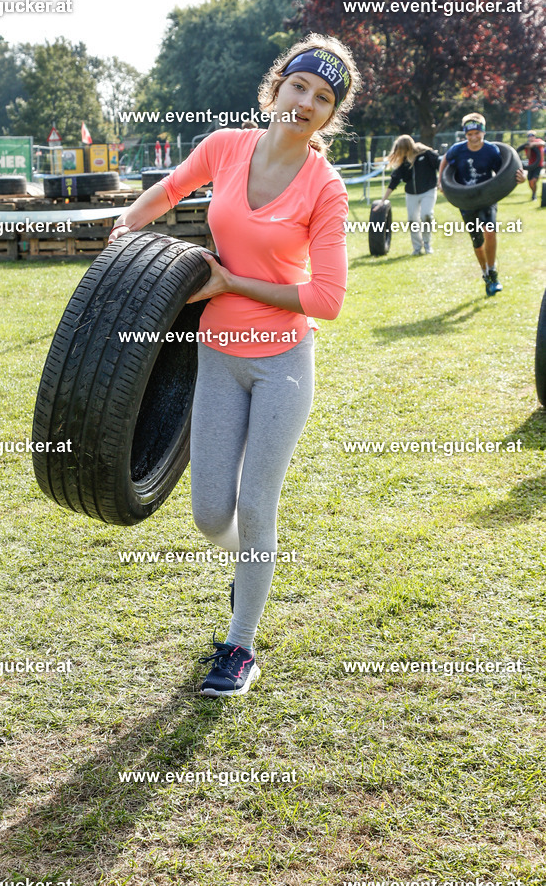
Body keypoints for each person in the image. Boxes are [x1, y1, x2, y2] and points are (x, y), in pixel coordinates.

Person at [108, 34, 361, 697]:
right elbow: (169, 189)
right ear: (276, 87)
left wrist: (229, 286)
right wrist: (125, 226)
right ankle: (249, 570)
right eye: (299, 86)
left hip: (281, 363)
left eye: (323, 98)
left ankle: (240, 644)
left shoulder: (324, 188)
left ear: (329, 116)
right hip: (217, 359)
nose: (306, 102)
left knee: (255, 504)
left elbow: (327, 299)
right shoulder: (224, 147)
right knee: (208, 512)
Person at [438, 113, 525, 296]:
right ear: (465, 134)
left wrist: (520, 177)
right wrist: (441, 181)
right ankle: (485, 273)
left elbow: (506, 171)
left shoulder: (491, 151)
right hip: (466, 200)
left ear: (483, 132)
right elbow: (445, 159)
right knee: (477, 242)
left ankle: (493, 271)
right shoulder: (458, 150)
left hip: (487, 197)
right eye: (469, 135)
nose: (474, 138)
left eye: (477, 133)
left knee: (490, 232)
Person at [379, 135, 440, 255]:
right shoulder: (404, 162)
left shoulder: (426, 154)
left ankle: (427, 244)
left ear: (407, 147)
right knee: (413, 220)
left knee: (426, 216)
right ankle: (417, 248)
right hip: (411, 193)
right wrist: (382, 201)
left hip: (428, 190)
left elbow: (441, 165)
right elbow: (394, 181)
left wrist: (441, 182)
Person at [516, 131, 545, 201]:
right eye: (529, 136)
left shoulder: (538, 141)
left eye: (532, 136)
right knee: (530, 182)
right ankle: (533, 193)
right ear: (528, 137)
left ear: (534, 137)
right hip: (531, 166)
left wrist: (533, 144)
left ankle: (534, 195)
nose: (531, 137)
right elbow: (528, 157)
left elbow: (543, 143)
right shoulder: (527, 146)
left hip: (538, 165)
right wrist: (529, 148)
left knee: (533, 180)